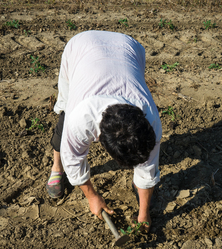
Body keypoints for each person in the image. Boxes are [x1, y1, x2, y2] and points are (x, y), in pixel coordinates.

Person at [46, 31, 162, 231]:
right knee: (65, 111)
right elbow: (73, 158)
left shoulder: (150, 120)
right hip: (81, 47)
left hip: (128, 47)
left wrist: (144, 213)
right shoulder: (80, 119)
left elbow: (148, 167)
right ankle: (56, 168)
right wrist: (92, 196)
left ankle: (142, 196)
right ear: (101, 139)